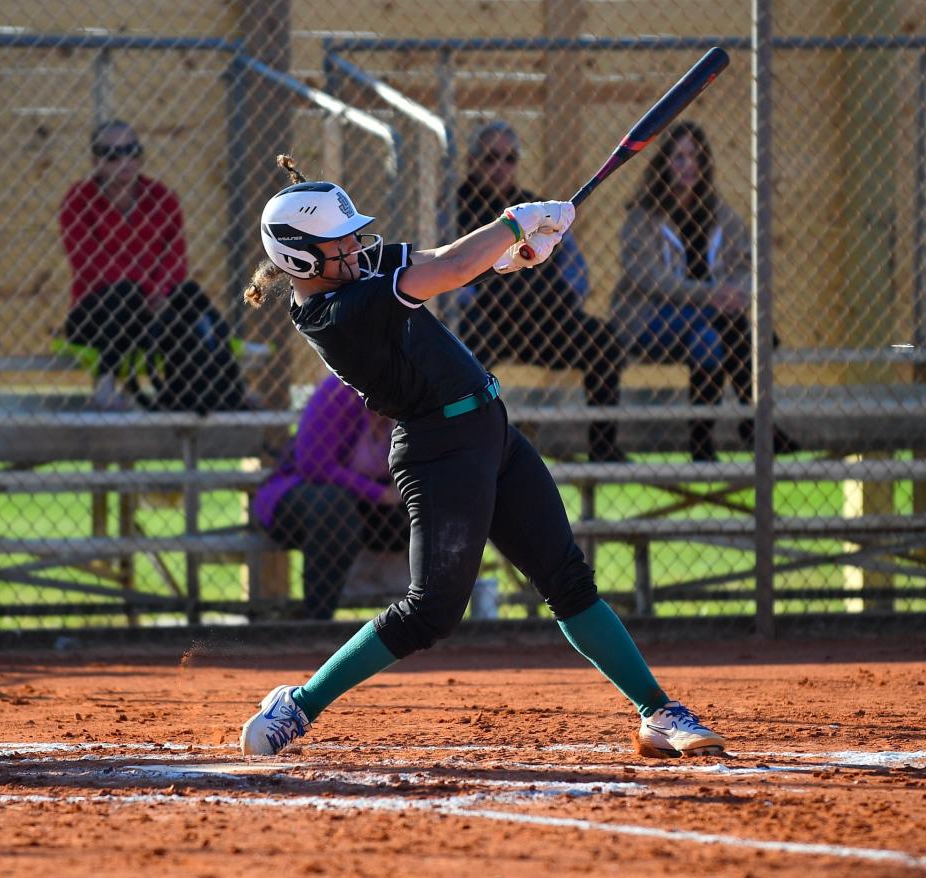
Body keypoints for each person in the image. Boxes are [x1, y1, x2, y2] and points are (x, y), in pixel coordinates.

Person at [236, 154, 725, 761]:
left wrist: (512, 253)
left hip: (490, 431)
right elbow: (447, 268)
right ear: (300, 259)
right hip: (438, 451)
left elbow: (442, 260)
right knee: (431, 612)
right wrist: (515, 221)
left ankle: (658, 711)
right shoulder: (339, 311)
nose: (356, 248)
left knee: (568, 580)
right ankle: (299, 706)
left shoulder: (354, 272)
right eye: (338, 243)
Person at [611, 121, 799, 461]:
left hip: (707, 324)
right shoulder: (643, 216)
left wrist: (736, 293)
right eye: (679, 157)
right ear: (664, 163)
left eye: (695, 157)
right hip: (649, 321)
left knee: (710, 340)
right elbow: (648, 279)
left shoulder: (719, 214)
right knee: (733, 327)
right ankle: (754, 421)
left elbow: (747, 265)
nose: (688, 166)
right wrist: (710, 295)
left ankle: (702, 443)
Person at [456, 121, 627, 462]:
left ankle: (603, 448)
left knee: (605, 341)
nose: (501, 167)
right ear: (473, 162)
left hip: (546, 320)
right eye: (491, 158)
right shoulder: (457, 208)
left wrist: (568, 301)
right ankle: (468, 449)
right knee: (461, 356)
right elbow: (448, 274)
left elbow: (577, 271)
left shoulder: (534, 208)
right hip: (488, 321)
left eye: (509, 159)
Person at [253, 372, 409, 620]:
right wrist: (379, 494)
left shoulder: (413, 397)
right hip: (303, 498)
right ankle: (317, 620)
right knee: (333, 506)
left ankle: (427, 619)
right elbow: (313, 465)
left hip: (368, 511)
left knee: (428, 506)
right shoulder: (340, 390)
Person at [59, 120, 188, 410]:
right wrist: (147, 290)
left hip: (152, 310)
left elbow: (176, 258)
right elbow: (88, 263)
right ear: (95, 161)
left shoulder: (162, 198)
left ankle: (226, 390)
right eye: (112, 154)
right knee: (126, 292)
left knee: (192, 298)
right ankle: (106, 384)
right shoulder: (78, 200)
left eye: (131, 151)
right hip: (94, 315)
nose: (124, 161)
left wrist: (159, 291)